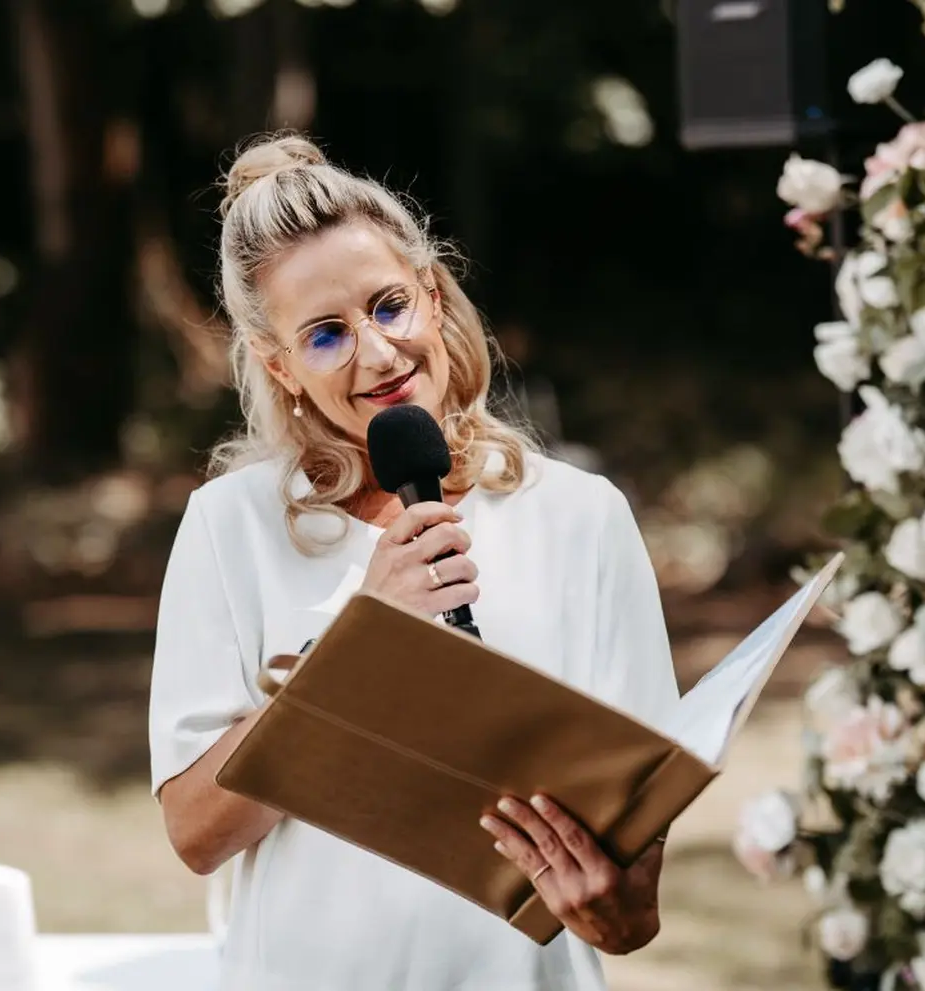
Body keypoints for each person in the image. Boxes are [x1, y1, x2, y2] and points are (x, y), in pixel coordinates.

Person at [148, 132, 680, 991]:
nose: (378, 353)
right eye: (326, 334)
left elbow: (634, 911)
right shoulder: (227, 527)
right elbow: (196, 832)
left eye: (388, 305)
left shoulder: (583, 519)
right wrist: (367, 641)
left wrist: (605, 900)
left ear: (431, 296)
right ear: (280, 366)